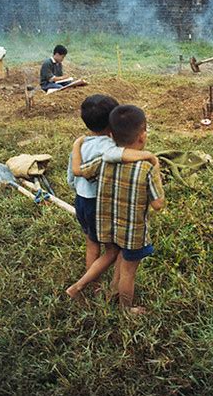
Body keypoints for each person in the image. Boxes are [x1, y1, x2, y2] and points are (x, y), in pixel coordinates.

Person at [66, 105, 165, 314]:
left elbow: (79, 171)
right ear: (142, 136)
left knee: (111, 254)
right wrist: (157, 174)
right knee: (129, 271)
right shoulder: (147, 168)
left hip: (108, 225)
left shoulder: (103, 161)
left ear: (111, 134)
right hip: (133, 231)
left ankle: (79, 287)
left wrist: (77, 145)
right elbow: (158, 205)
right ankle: (126, 309)